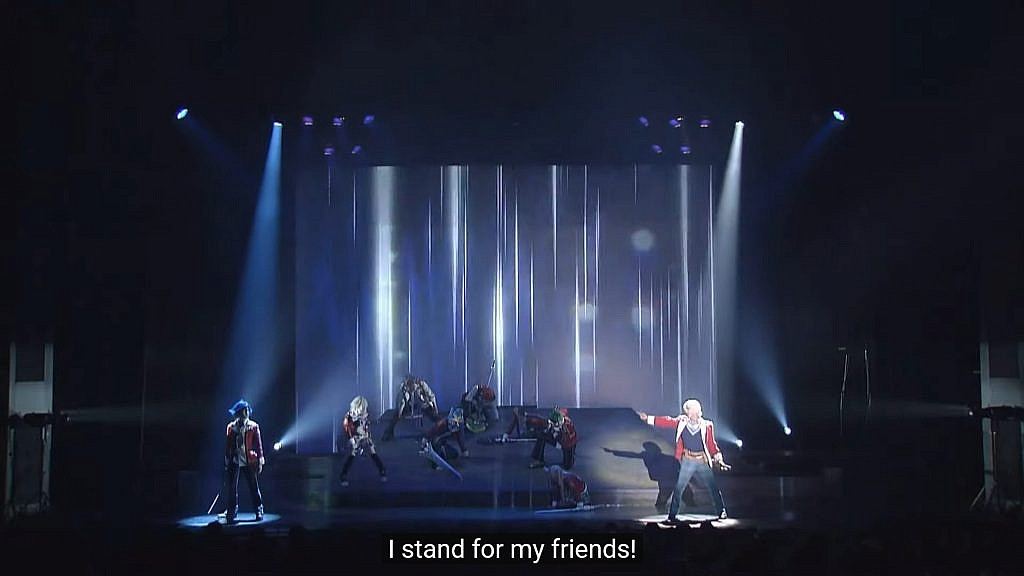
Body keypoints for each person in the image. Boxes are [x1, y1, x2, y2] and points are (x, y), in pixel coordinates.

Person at [638, 398, 729, 521]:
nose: (692, 413)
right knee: (679, 488)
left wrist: (719, 459)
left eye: (694, 410)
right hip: (688, 460)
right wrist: (647, 418)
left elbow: (712, 445)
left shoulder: (707, 425)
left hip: (702, 460)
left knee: (712, 487)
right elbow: (666, 421)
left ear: (698, 410)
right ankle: (672, 515)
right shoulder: (682, 422)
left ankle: (721, 511)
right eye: (690, 410)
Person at [222, 399, 264, 523]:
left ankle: (258, 509)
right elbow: (228, 444)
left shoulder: (253, 426)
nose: (245, 413)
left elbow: (258, 444)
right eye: (243, 411)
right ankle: (232, 510)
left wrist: (260, 460)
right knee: (232, 488)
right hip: (235, 459)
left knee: (253, 486)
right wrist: (227, 458)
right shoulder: (231, 427)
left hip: (248, 460)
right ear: (238, 413)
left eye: (247, 410)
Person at [505, 407, 577, 469]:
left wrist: (554, 435)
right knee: (542, 435)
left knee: (567, 466)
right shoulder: (559, 417)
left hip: (567, 444)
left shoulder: (566, 430)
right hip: (560, 437)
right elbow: (561, 411)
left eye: (553, 423)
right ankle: (539, 460)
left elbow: (565, 443)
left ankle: (571, 455)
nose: (551, 423)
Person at [339, 395, 387, 486]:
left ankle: (382, 470)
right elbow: (347, 428)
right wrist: (351, 439)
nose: (362, 411)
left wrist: (367, 434)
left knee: (372, 451)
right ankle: (343, 475)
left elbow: (366, 424)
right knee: (352, 454)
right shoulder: (349, 415)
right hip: (354, 436)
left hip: (363, 435)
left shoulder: (364, 414)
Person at [382, 376, 440, 441]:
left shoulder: (422, 385)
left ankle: (441, 428)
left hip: (421, 404)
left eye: (414, 386)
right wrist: (399, 414)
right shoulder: (404, 389)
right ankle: (388, 432)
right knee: (395, 416)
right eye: (411, 387)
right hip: (408, 405)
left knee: (434, 415)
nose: (413, 388)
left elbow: (432, 397)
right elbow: (401, 403)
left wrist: (435, 409)